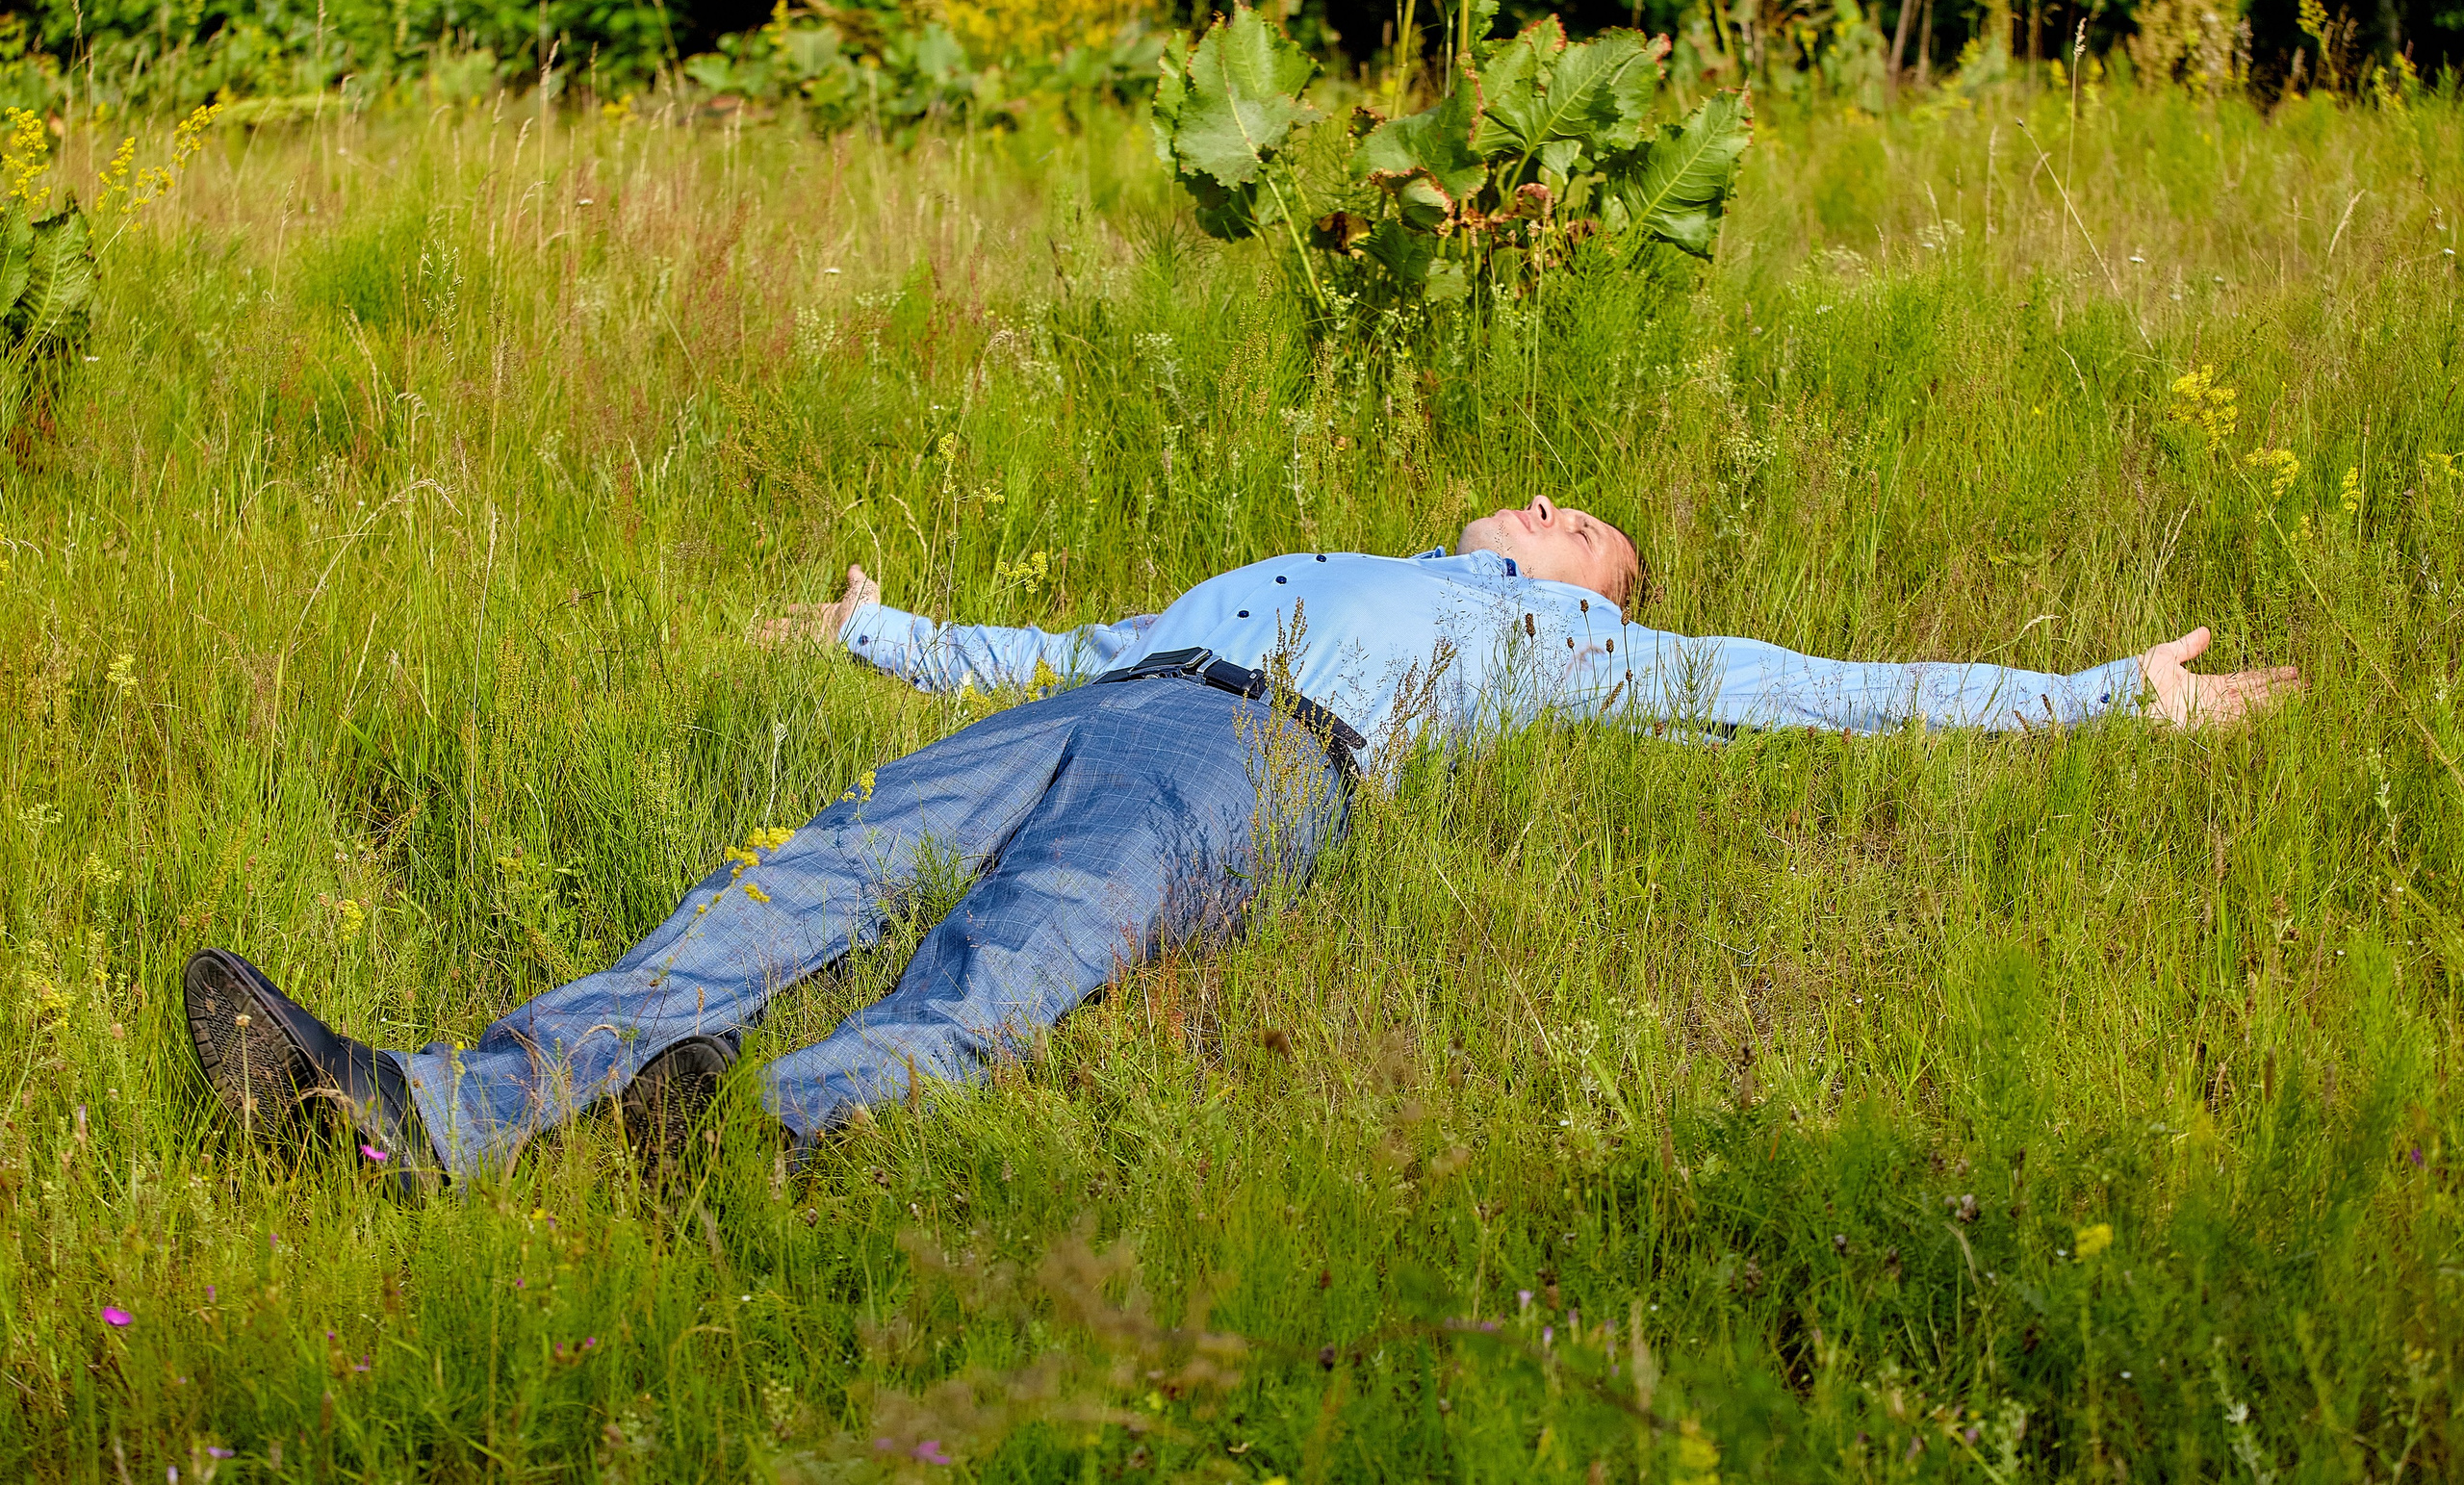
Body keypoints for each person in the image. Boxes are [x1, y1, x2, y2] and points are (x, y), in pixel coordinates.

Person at [181, 495, 2299, 1191]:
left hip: (1271, 768)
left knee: (1007, 957)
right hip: (1114, 699)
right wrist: (882, 632)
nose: (1540, 495)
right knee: (788, 879)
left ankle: (753, 1148)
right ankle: (424, 1107)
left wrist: (2106, 695)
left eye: (1583, 516)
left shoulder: (1576, 647)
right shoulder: (1302, 550)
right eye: (1539, 498)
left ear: (1602, 586)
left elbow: (1839, 688)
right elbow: (1078, 635)